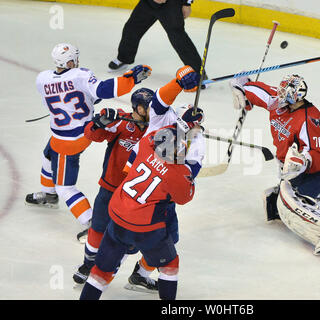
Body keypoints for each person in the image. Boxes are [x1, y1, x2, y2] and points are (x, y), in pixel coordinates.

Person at [79, 65, 205, 300]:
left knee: (102, 269)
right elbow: (185, 194)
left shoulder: (147, 142)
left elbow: (160, 107)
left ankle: (107, 272)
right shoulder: (176, 169)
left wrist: (178, 88)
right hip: (149, 220)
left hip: (120, 207)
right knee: (169, 263)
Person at [25, 43, 152, 232]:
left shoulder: (42, 79)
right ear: (70, 62)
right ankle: (48, 194)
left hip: (68, 139)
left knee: (65, 187)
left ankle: (92, 222)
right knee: (48, 155)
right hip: (74, 134)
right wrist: (131, 78)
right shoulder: (80, 75)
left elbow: (69, 94)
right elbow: (103, 91)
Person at [230, 74, 320, 255]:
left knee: (290, 204)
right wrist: (240, 88)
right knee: (272, 200)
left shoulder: (310, 118)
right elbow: (254, 89)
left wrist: (303, 161)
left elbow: (318, 155)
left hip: (313, 172)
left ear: (293, 97)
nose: (277, 95)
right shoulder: (276, 101)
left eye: (282, 93)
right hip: (289, 171)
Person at [73, 87, 171, 291]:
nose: (153, 111)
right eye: (148, 108)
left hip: (135, 198)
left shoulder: (156, 128)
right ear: (137, 107)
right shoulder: (121, 122)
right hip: (109, 189)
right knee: (97, 229)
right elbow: (91, 134)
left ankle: (109, 272)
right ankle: (89, 265)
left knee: (130, 242)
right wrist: (100, 122)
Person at [108, 0, 206, 85]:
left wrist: (187, 3)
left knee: (178, 36)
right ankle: (124, 58)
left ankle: (197, 73)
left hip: (172, 4)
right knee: (132, 27)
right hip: (149, 3)